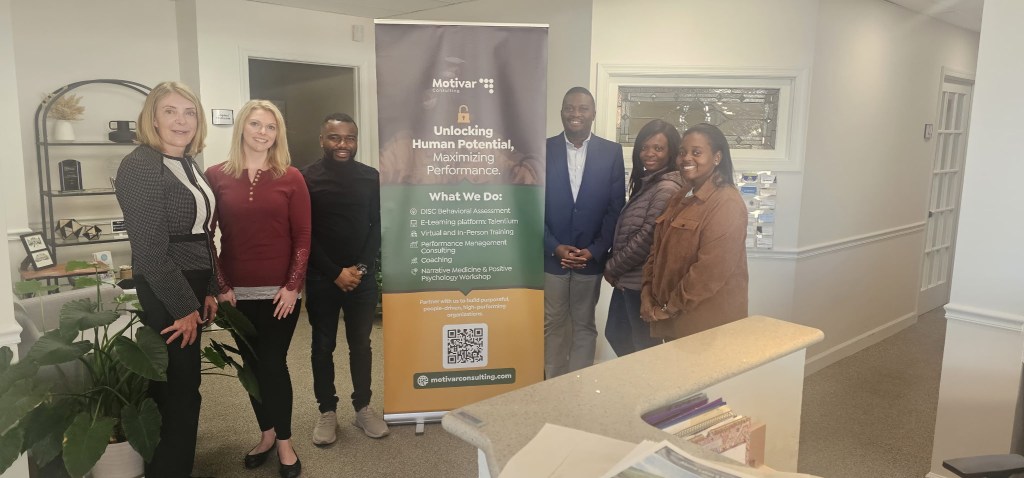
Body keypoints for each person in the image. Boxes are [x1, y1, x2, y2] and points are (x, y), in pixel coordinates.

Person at [115, 81, 217, 478]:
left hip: (193, 282)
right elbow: (150, 250)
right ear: (153, 119)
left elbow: (203, 233)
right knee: (176, 390)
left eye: (189, 112)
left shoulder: (188, 161)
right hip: (166, 286)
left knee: (184, 386)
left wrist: (209, 289)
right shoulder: (141, 164)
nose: (181, 120)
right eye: (170, 111)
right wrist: (184, 307)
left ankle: (175, 467)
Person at [205, 100, 310, 478]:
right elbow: (205, 236)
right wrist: (221, 286)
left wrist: (292, 286)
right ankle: (266, 435)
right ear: (242, 128)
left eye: (271, 126)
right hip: (235, 295)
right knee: (251, 366)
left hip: (280, 294)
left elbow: (303, 236)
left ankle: (284, 442)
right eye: (256, 124)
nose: (263, 132)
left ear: (277, 134)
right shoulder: (215, 175)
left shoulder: (291, 177)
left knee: (273, 363)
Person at [302, 113, 389, 445]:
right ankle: (327, 410)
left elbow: (377, 225)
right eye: (335, 137)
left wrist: (361, 269)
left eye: (349, 138)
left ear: (356, 141)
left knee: (361, 344)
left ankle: (363, 407)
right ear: (322, 140)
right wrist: (334, 272)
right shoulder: (305, 178)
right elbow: (304, 232)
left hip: (361, 277)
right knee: (322, 346)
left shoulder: (370, 177)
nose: (343, 144)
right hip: (322, 276)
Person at [544, 86, 625, 378]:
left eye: (582, 108)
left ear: (593, 113)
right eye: (569, 108)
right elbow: (531, 206)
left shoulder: (611, 152)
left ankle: (578, 386)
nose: (575, 113)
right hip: (552, 258)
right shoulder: (542, 149)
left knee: (584, 324)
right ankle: (553, 384)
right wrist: (554, 246)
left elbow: (616, 208)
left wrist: (596, 249)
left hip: (590, 259)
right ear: (561, 112)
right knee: (552, 323)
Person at [641, 123, 748, 341]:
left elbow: (709, 272)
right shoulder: (680, 196)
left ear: (717, 157)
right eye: (682, 152)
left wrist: (669, 308)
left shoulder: (727, 202)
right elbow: (656, 250)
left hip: (705, 325)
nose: (686, 158)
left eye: (696, 152)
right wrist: (647, 293)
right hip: (671, 318)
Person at [604, 119, 683, 356]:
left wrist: (612, 267)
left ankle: (650, 381)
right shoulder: (649, 185)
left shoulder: (666, 188)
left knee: (643, 347)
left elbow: (646, 239)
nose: (649, 154)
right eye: (644, 147)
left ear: (670, 152)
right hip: (628, 281)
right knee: (618, 335)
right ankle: (637, 379)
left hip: (641, 284)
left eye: (658, 148)